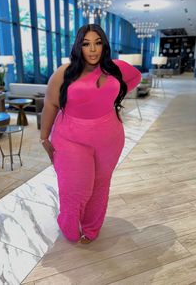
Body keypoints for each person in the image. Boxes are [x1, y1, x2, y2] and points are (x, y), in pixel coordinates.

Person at [40, 24, 141, 244]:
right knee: (75, 187)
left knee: (100, 184)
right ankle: (69, 226)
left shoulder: (116, 68)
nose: (93, 49)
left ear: (104, 46)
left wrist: (112, 104)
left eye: (98, 43)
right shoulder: (64, 73)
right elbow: (50, 103)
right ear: (79, 46)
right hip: (70, 138)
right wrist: (43, 136)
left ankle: (92, 227)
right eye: (86, 44)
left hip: (110, 138)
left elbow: (135, 78)